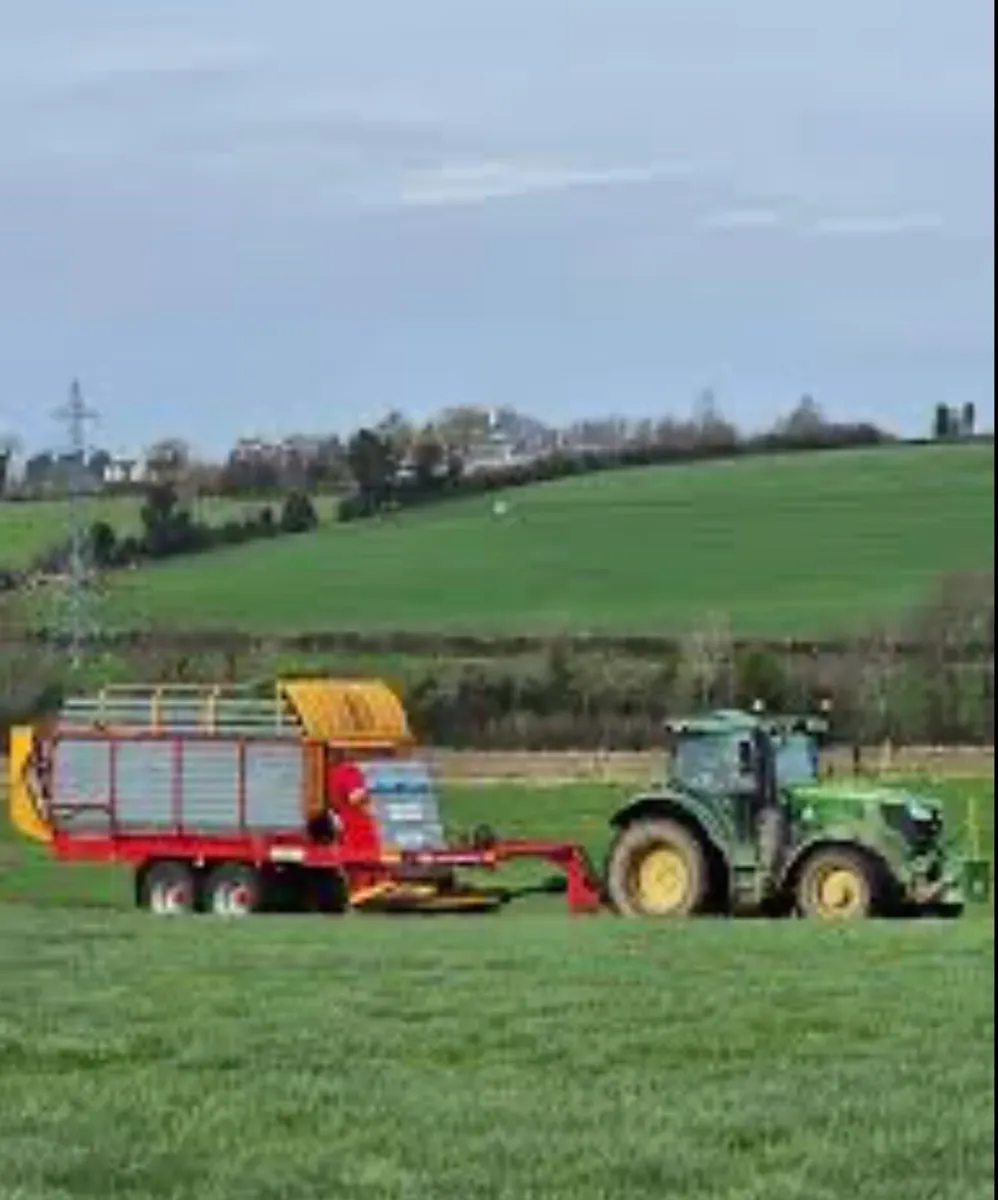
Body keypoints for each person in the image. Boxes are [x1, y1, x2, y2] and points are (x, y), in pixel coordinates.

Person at [314, 747, 380, 859]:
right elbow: (355, 796)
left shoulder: (326, 774)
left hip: (340, 831)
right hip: (358, 832)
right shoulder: (348, 771)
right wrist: (370, 803)